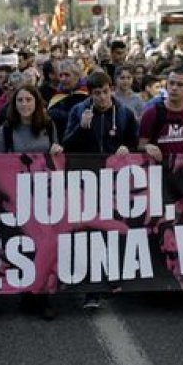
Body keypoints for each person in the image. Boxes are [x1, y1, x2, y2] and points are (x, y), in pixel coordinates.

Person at [64, 71, 139, 310]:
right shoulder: (79, 111)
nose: (103, 97)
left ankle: (113, 278)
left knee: (114, 230)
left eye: (106, 92)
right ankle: (91, 290)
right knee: (90, 233)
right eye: (97, 93)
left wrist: (127, 148)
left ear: (111, 89)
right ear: (90, 93)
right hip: (87, 179)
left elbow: (135, 143)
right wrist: (82, 129)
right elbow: (67, 146)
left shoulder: (124, 113)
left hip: (115, 181)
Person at [138, 67, 183, 162]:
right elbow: (140, 146)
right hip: (158, 171)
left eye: (180, 85)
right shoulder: (151, 113)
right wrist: (147, 148)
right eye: (171, 83)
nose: (174, 88)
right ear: (166, 86)